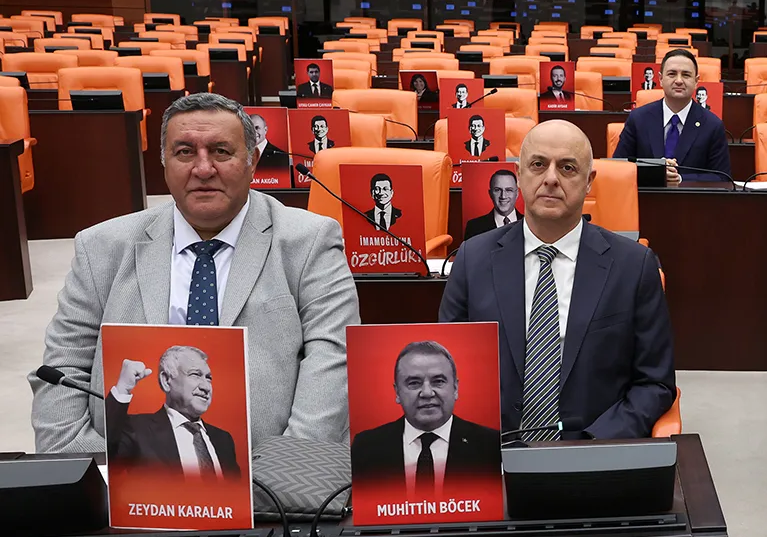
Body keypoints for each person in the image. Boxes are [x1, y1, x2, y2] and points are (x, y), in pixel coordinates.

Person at [31, 92, 359, 451]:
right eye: (185, 152)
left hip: (272, 472)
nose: (203, 169)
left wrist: (289, 469)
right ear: (164, 164)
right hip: (123, 473)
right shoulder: (101, 247)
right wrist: (99, 468)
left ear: (252, 161)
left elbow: (333, 356)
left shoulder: (310, 241)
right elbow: (64, 365)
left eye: (221, 151)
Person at [440, 120, 675, 439]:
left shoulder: (634, 266)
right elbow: (448, 367)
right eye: (538, 165)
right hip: (492, 451)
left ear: (589, 181)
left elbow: (655, 383)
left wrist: (594, 443)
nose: (550, 178)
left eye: (567, 167)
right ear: (518, 175)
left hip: (593, 452)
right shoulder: (472, 259)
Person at [350, 340, 502, 498]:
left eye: (438, 382)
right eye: (414, 383)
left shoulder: (490, 445)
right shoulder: (365, 447)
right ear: (397, 392)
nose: (427, 393)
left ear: (455, 388)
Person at [105, 346, 243, 480]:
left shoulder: (224, 440)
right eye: (195, 375)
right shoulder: (137, 429)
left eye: (208, 378)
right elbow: (107, 458)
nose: (206, 387)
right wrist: (123, 388)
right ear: (166, 380)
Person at [613, 48, 731, 185]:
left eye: (686, 75)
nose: (679, 81)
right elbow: (618, 167)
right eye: (672, 74)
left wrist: (680, 179)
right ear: (660, 79)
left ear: (696, 81)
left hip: (691, 198)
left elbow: (723, 178)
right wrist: (655, 174)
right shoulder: (639, 119)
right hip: (647, 196)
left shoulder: (712, 125)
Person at [464, 168, 522, 240]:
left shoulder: (530, 225)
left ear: (517, 194)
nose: (503, 196)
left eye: (509, 190)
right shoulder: (474, 227)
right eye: (497, 190)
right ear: (490, 194)